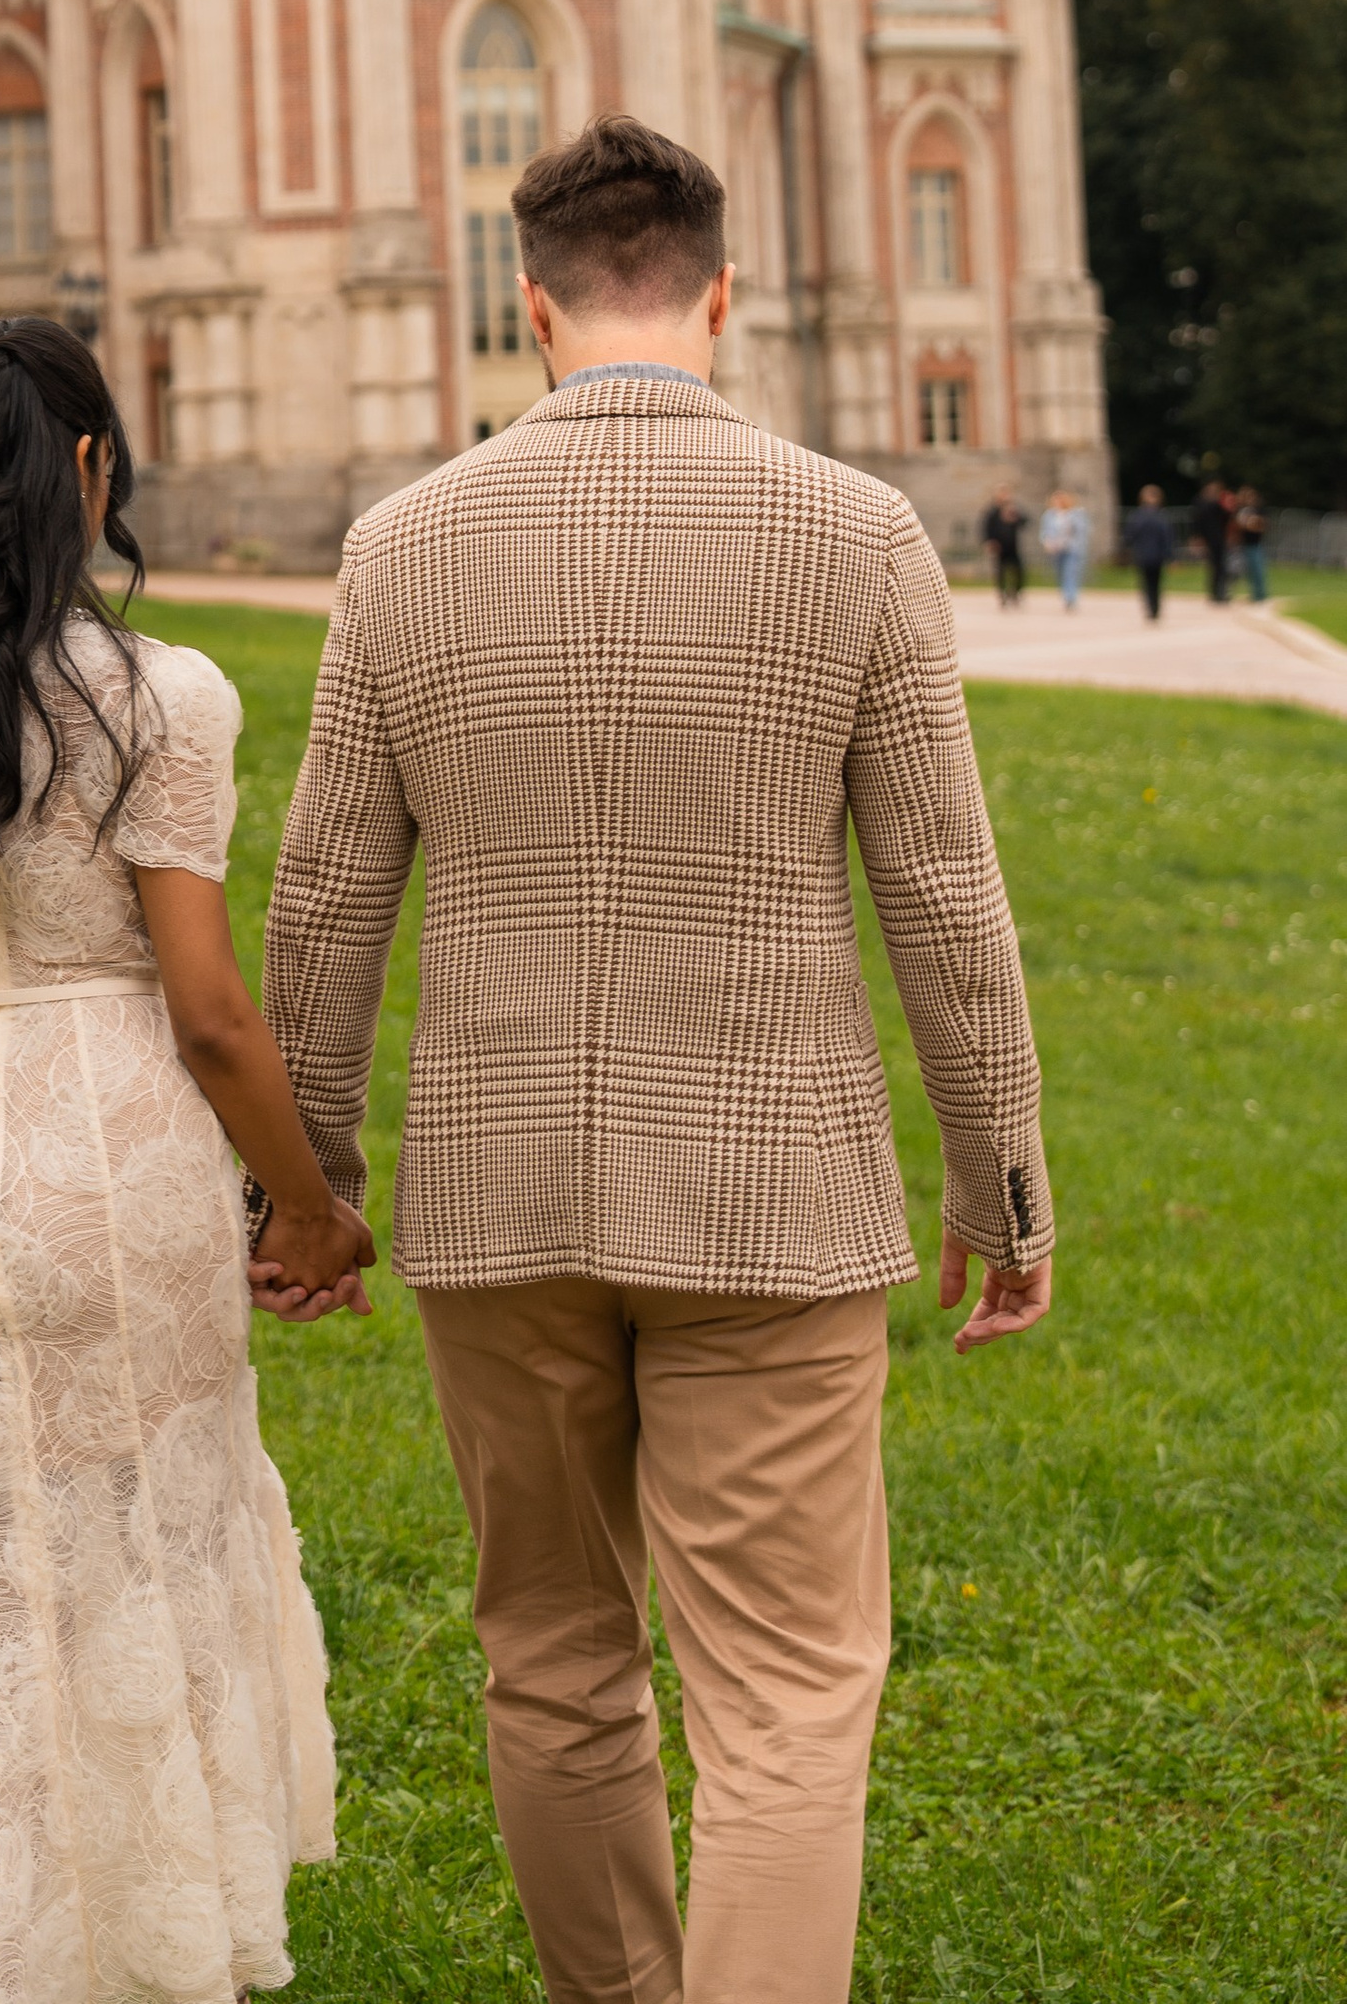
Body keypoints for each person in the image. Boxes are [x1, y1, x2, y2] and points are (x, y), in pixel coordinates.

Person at [258, 115, 1053, 2004]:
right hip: (772, 1185)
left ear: (525, 303)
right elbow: (946, 896)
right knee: (783, 1697)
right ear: (727, 294)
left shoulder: (403, 546)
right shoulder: (857, 532)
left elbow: (322, 902)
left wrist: (300, 1189)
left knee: (551, 1651)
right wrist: (1000, 1183)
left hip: (500, 1184)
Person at [0, 315, 362, 2004]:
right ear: (87, 472)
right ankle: (152, 1929)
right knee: (146, 1533)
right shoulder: (160, 700)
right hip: (118, 1152)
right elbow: (212, 1015)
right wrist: (310, 1209)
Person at [1125, 483, 1177, 622]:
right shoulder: (1158, 516)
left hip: (1148, 554)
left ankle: (1152, 607)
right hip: (1150, 554)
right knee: (1151, 583)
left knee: (1151, 583)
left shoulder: (1139, 516)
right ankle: (1153, 607)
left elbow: (1129, 536)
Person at [1039, 486, 1089, 614]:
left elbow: (1081, 532)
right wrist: (1047, 542)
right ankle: (1065, 594)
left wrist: (1075, 544)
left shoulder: (1075, 514)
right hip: (1056, 549)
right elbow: (1045, 532)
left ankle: (1070, 597)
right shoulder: (1050, 515)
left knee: (1070, 572)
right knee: (1060, 573)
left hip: (1071, 548)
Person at [980, 484, 1028, 608]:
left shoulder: (1013, 509)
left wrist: (1015, 516)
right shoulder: (992, 511)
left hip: (1013, 545)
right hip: (999, 546)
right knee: (1000, 572)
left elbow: (1024, 522)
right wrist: (988, 541)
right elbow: (986, 527)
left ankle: (1016, 592)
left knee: (1018, 570)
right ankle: (1002, 594)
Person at [1191, 477, 1233, 604]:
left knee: (1221, 567)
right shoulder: (1201, 503)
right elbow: (1197, 522)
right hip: (1209, 539)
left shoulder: (1220, 503)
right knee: (1214, 567)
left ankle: (1220, 592)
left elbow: (1227, 518)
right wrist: (1197, 537)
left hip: (1220, 538)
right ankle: (1215, 593)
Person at [1232, 484, 1269, 603]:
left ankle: (1260, 594)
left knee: (1257, 570)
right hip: (1244, 544)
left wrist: (1250, 524)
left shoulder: (1259, 510)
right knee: (1247, 571)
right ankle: (1255, 593)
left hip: (1255, 544)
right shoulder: (1242, 510)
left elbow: (1261, 526)